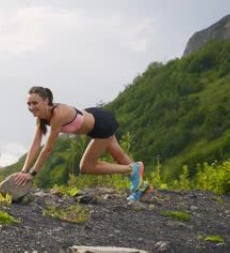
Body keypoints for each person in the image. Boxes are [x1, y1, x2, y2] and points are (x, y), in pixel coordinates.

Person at [13, 86, 151, 202]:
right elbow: (35, 144)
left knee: (86, 167)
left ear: (46, 101)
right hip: (95, 118)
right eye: (28, 104)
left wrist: (32, 173)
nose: (31, 107)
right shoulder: (41, 118)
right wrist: (24, 170)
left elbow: (48, 148)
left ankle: (133, 169)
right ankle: (144, 186)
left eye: (35, 103)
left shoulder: (58, 115)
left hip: (101, 125)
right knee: (119, 156)